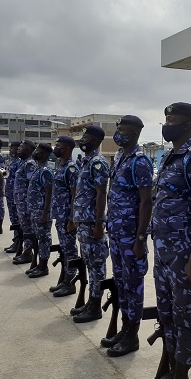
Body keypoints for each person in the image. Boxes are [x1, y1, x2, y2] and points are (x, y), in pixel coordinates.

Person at [145, 103, 191, 379]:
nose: (166, 124)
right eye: (166, 119)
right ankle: (171, 373)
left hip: (183, 255)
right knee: (168, 317)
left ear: (187, 126)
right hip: (163, 254)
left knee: (185, 319)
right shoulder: (168, 157)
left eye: (172, 120)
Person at [104, 115, 153, 357]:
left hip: (131, 236)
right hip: (116, 233)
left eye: (122, 130)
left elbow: (146, 202)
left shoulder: (140, 162)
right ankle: (125, 329)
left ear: (133, 133)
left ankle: (132, 335)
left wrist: (141, 238)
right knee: (121, 283)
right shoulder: (121, 157)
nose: (118, 133)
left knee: (133, 286)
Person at [70, 125, 110, 323]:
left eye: (86, 136)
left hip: (92, 221)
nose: (82, 139)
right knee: (88, 262)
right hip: (84, 221)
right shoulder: (86, 161)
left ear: (95, 140)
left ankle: (96, 305)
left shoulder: (98, 163)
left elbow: (101, 193)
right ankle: (90, 302)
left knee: (96, 264)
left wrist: (99, 223)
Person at [49, 136, 79, 297]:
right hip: (60, 216)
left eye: (58, 146)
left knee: (70, 250)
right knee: (65, 250)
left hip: (67, 217)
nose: (56, 148)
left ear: (67, 148)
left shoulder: (71, 168)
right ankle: (64, 280)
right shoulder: (61, 166)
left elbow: (75, 195)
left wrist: (72, 218)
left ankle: (70, 283)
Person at [25, 143, 54, 278]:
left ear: (43, 154)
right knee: (38, 239)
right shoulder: (39, 168)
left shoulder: (46, 171)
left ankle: (43, 267)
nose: (35, 152)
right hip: (35, 211)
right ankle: (39, 265)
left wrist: (45, 213)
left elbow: (49, 193)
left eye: (37, 150)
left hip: (41, 211)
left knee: (44, 239)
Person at [12, 140, 37, 265]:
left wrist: (29, 203)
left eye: (22, 147)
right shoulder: (23, 163)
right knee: (25, 227)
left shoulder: (30, 164)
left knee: (28, 228)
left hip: (26, 202)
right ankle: (26, 252)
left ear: (29, 149)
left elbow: (31, 184)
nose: (19, 149)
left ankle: (28, 253)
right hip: (21, 201)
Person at [4, 141, 22, 253]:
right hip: (11, 194)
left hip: (18, 197)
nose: (11, 150)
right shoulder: (12, 161)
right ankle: (16, 241)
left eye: (13, 148)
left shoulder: (20, 162)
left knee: (18, 221)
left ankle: (19, 243)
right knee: (14, 220)